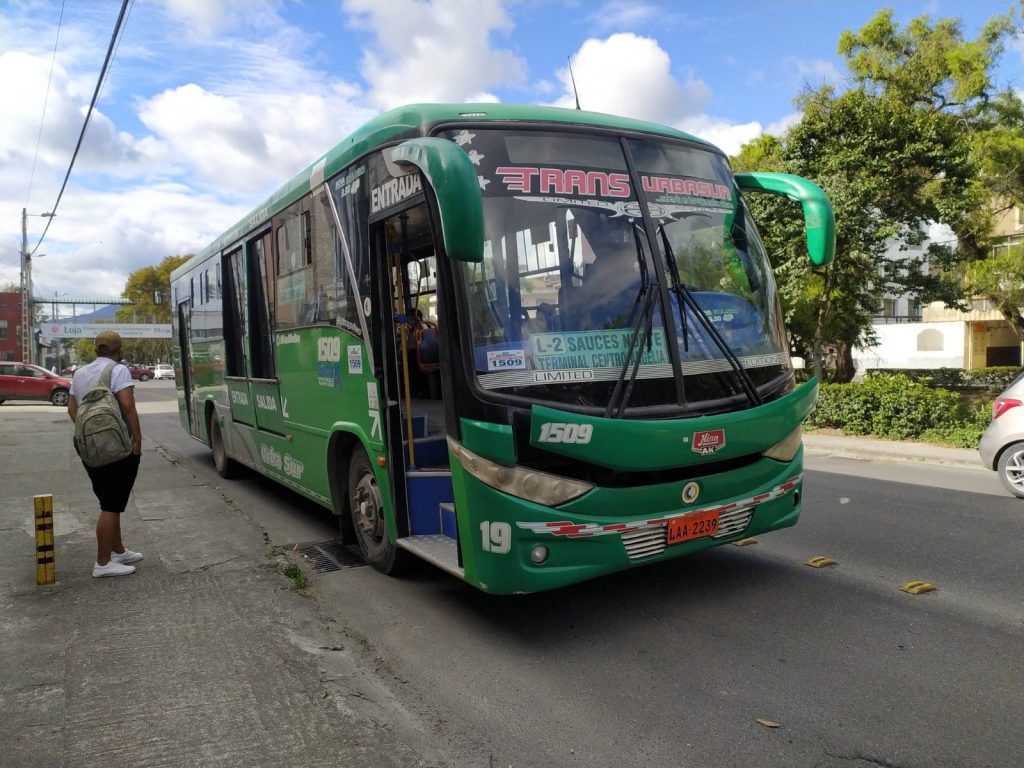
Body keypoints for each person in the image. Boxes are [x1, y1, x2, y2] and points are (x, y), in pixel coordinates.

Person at [67, 331, 144, 578]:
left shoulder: (79, 373)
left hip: (89, 447)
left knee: (111, 499)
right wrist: (136, 438)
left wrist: (91, 436)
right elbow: (127, 406)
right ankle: (102, 563)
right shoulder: (118, 370)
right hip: (117, 447)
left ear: (95, 350)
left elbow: (72, 409)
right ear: (118, 351)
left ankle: (118, 551)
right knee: (111, 504)